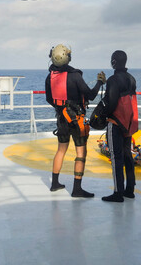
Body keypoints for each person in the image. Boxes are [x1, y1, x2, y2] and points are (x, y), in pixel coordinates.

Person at [44, 44, 106, 197]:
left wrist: (61, 109)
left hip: (61, 120)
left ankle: (54, 183)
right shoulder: (75, 76)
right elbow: (91, 95)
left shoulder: (49, 77)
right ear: (68, 58)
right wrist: (99, 82)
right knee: (80, 152)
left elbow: (49, 99)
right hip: (77, 120)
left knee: (61, 150)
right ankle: (77, 189)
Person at [101, 50, 139, 203]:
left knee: (116, 157)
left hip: (115, 122)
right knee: (127, 155)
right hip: (128, 123)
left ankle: (118, 193)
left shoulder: (113, 80)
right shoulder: (132, 79)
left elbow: (110, 103)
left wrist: (103, 116)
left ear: (114, 62)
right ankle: (129, 190)